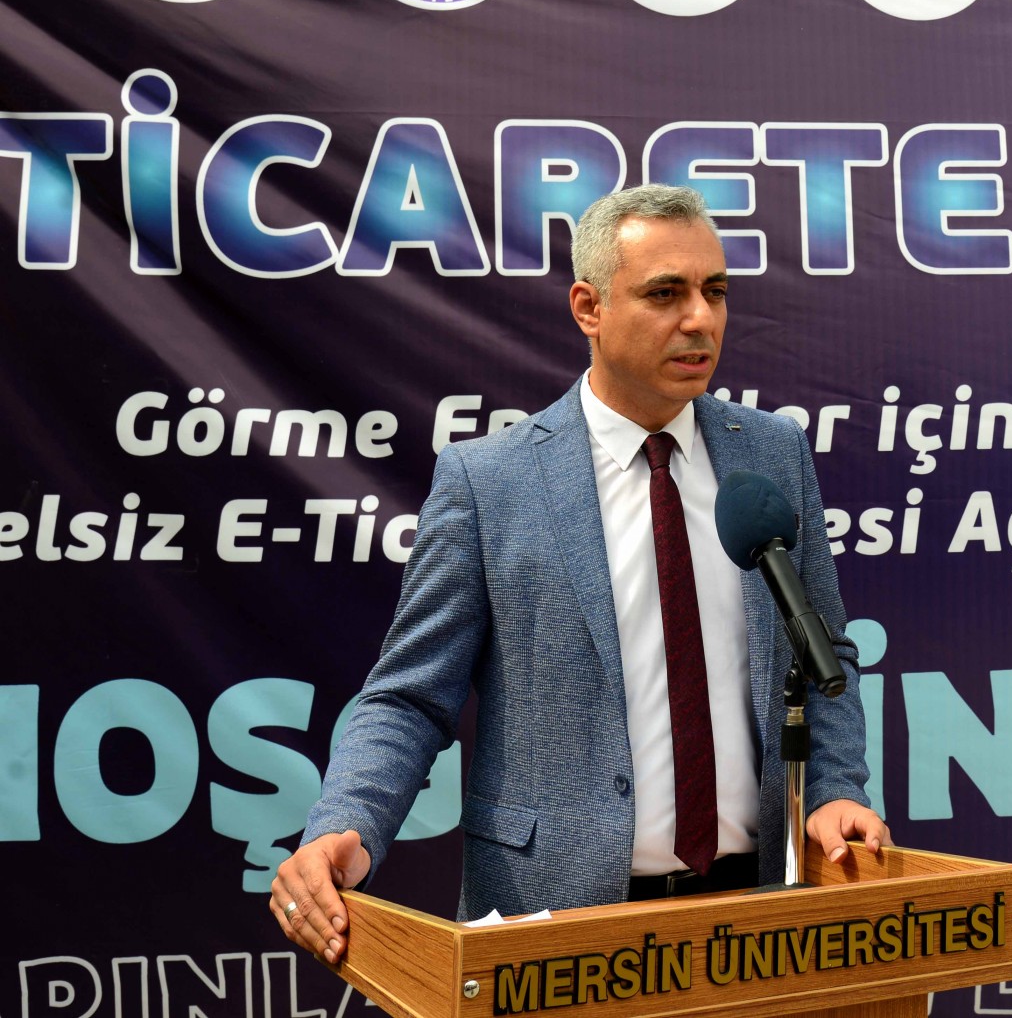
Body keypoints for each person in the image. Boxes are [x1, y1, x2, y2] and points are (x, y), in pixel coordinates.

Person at [271, 185, 887, 964]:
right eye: (665, 293)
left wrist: (835, 790)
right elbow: (409, 698)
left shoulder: (772, 453)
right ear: (589, 307)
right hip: (559, 923)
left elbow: (823, 653)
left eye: (715, 290)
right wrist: (345, 826)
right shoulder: (488, 483)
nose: (700, 318)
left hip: (756, 916)